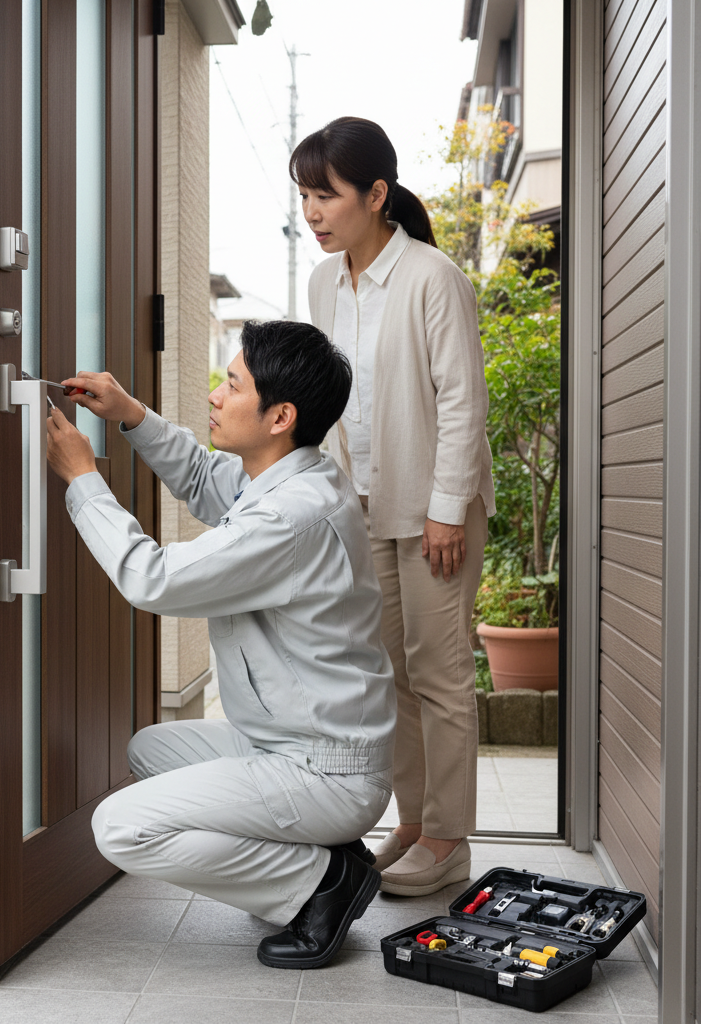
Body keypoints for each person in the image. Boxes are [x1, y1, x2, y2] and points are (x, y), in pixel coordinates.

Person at [44, 318, 396, 969]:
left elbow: (153, 579)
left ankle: (320, 884)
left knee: (120, 827)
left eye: (231, 383)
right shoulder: (290, 475)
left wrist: (83, 480)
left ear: (278, 416)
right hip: (297, 744)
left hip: (323, 769)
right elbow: (208, 482)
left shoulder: (291, 514)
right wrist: (130, 414)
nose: (213, 394)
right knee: (152, 748)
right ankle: (328, 856)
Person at [291, 116, 495, 897]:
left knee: (440, 672)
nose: (312, 211)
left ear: (376, 196)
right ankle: (413, 823)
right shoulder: (321, 283)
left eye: (326, 195)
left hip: (432, 507)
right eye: (304, 195)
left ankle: (449, 838)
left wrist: (447, 509)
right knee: (389, 674)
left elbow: (461, 404)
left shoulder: (431, 277)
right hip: (362, 507)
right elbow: (324, 399)